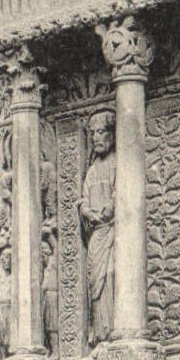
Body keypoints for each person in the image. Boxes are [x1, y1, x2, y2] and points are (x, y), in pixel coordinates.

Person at [79, 109, 115, 346]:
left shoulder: (117, 163)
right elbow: (83, 200)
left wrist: (110, 207)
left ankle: (113, 331)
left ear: (111, 134)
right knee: (95, 283)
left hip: (113, 232)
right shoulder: (92, 171)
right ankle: (101, 334)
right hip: (96, 234)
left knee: (111, 276)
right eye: (93, 134)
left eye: (101, 132)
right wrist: (88, 211)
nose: (96, 138)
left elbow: (121, 192)